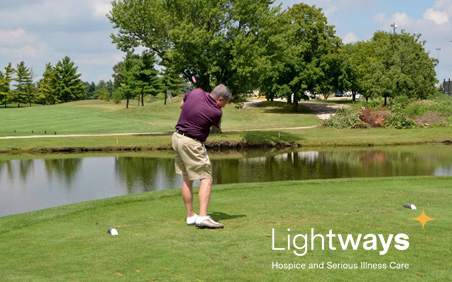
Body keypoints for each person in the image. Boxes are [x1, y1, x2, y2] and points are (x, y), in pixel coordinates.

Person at [172, 84, 232, 229]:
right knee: (206, 178)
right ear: (219, 99)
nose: (223, 107)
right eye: (224, 103)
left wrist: (194, 101)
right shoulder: (216, 112)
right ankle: (203, 217)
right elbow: (213, 124)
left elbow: (182, 105)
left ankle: (191, 216)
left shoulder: (196, 92)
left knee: (187, 177)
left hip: (177, 137)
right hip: (192, 143)